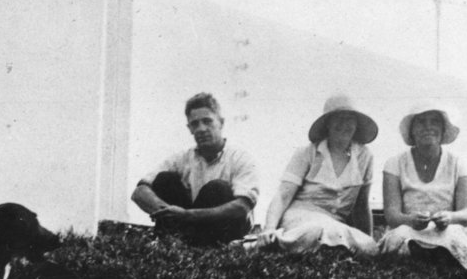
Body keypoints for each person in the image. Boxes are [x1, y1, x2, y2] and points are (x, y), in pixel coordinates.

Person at [378, 102, 467, 278]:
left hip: (446, 229)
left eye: (434, 122)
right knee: (400, 235)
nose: (428, 127)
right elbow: (392, 215)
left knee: (454, 238)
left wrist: (449, 217)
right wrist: (410, 220)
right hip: (410, 229)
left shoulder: (459, 163)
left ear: (443, 129)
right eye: (421, 122)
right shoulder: (394, 163)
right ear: (412, 130)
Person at [255, 95, 379, 256]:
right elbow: (283, 195)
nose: (344, 125)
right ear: (327, 124)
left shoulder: (365, 156)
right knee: (318, 230)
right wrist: (269, 228)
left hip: (336, 223)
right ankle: (271, 242)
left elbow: (362, 205)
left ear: (356, 124)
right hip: (301, 217)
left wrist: (367, 238)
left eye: (350, 119)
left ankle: (307, 246)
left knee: (368, 247)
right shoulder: (308, 152)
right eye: (338, 119)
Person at [131, 92, 258, 246]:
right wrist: (168, 212)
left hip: (227, 232)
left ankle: (194, 244)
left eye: (207, 121)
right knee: (165, 179)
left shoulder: (240, 158)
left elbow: (242, 207)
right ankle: (177, 241)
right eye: (195, 124)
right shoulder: (182, 158)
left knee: (218, 188)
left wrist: (187, 215)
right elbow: (140, 192)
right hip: (189, 226)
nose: (201, 129)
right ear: (189, 128)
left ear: (221, 123)